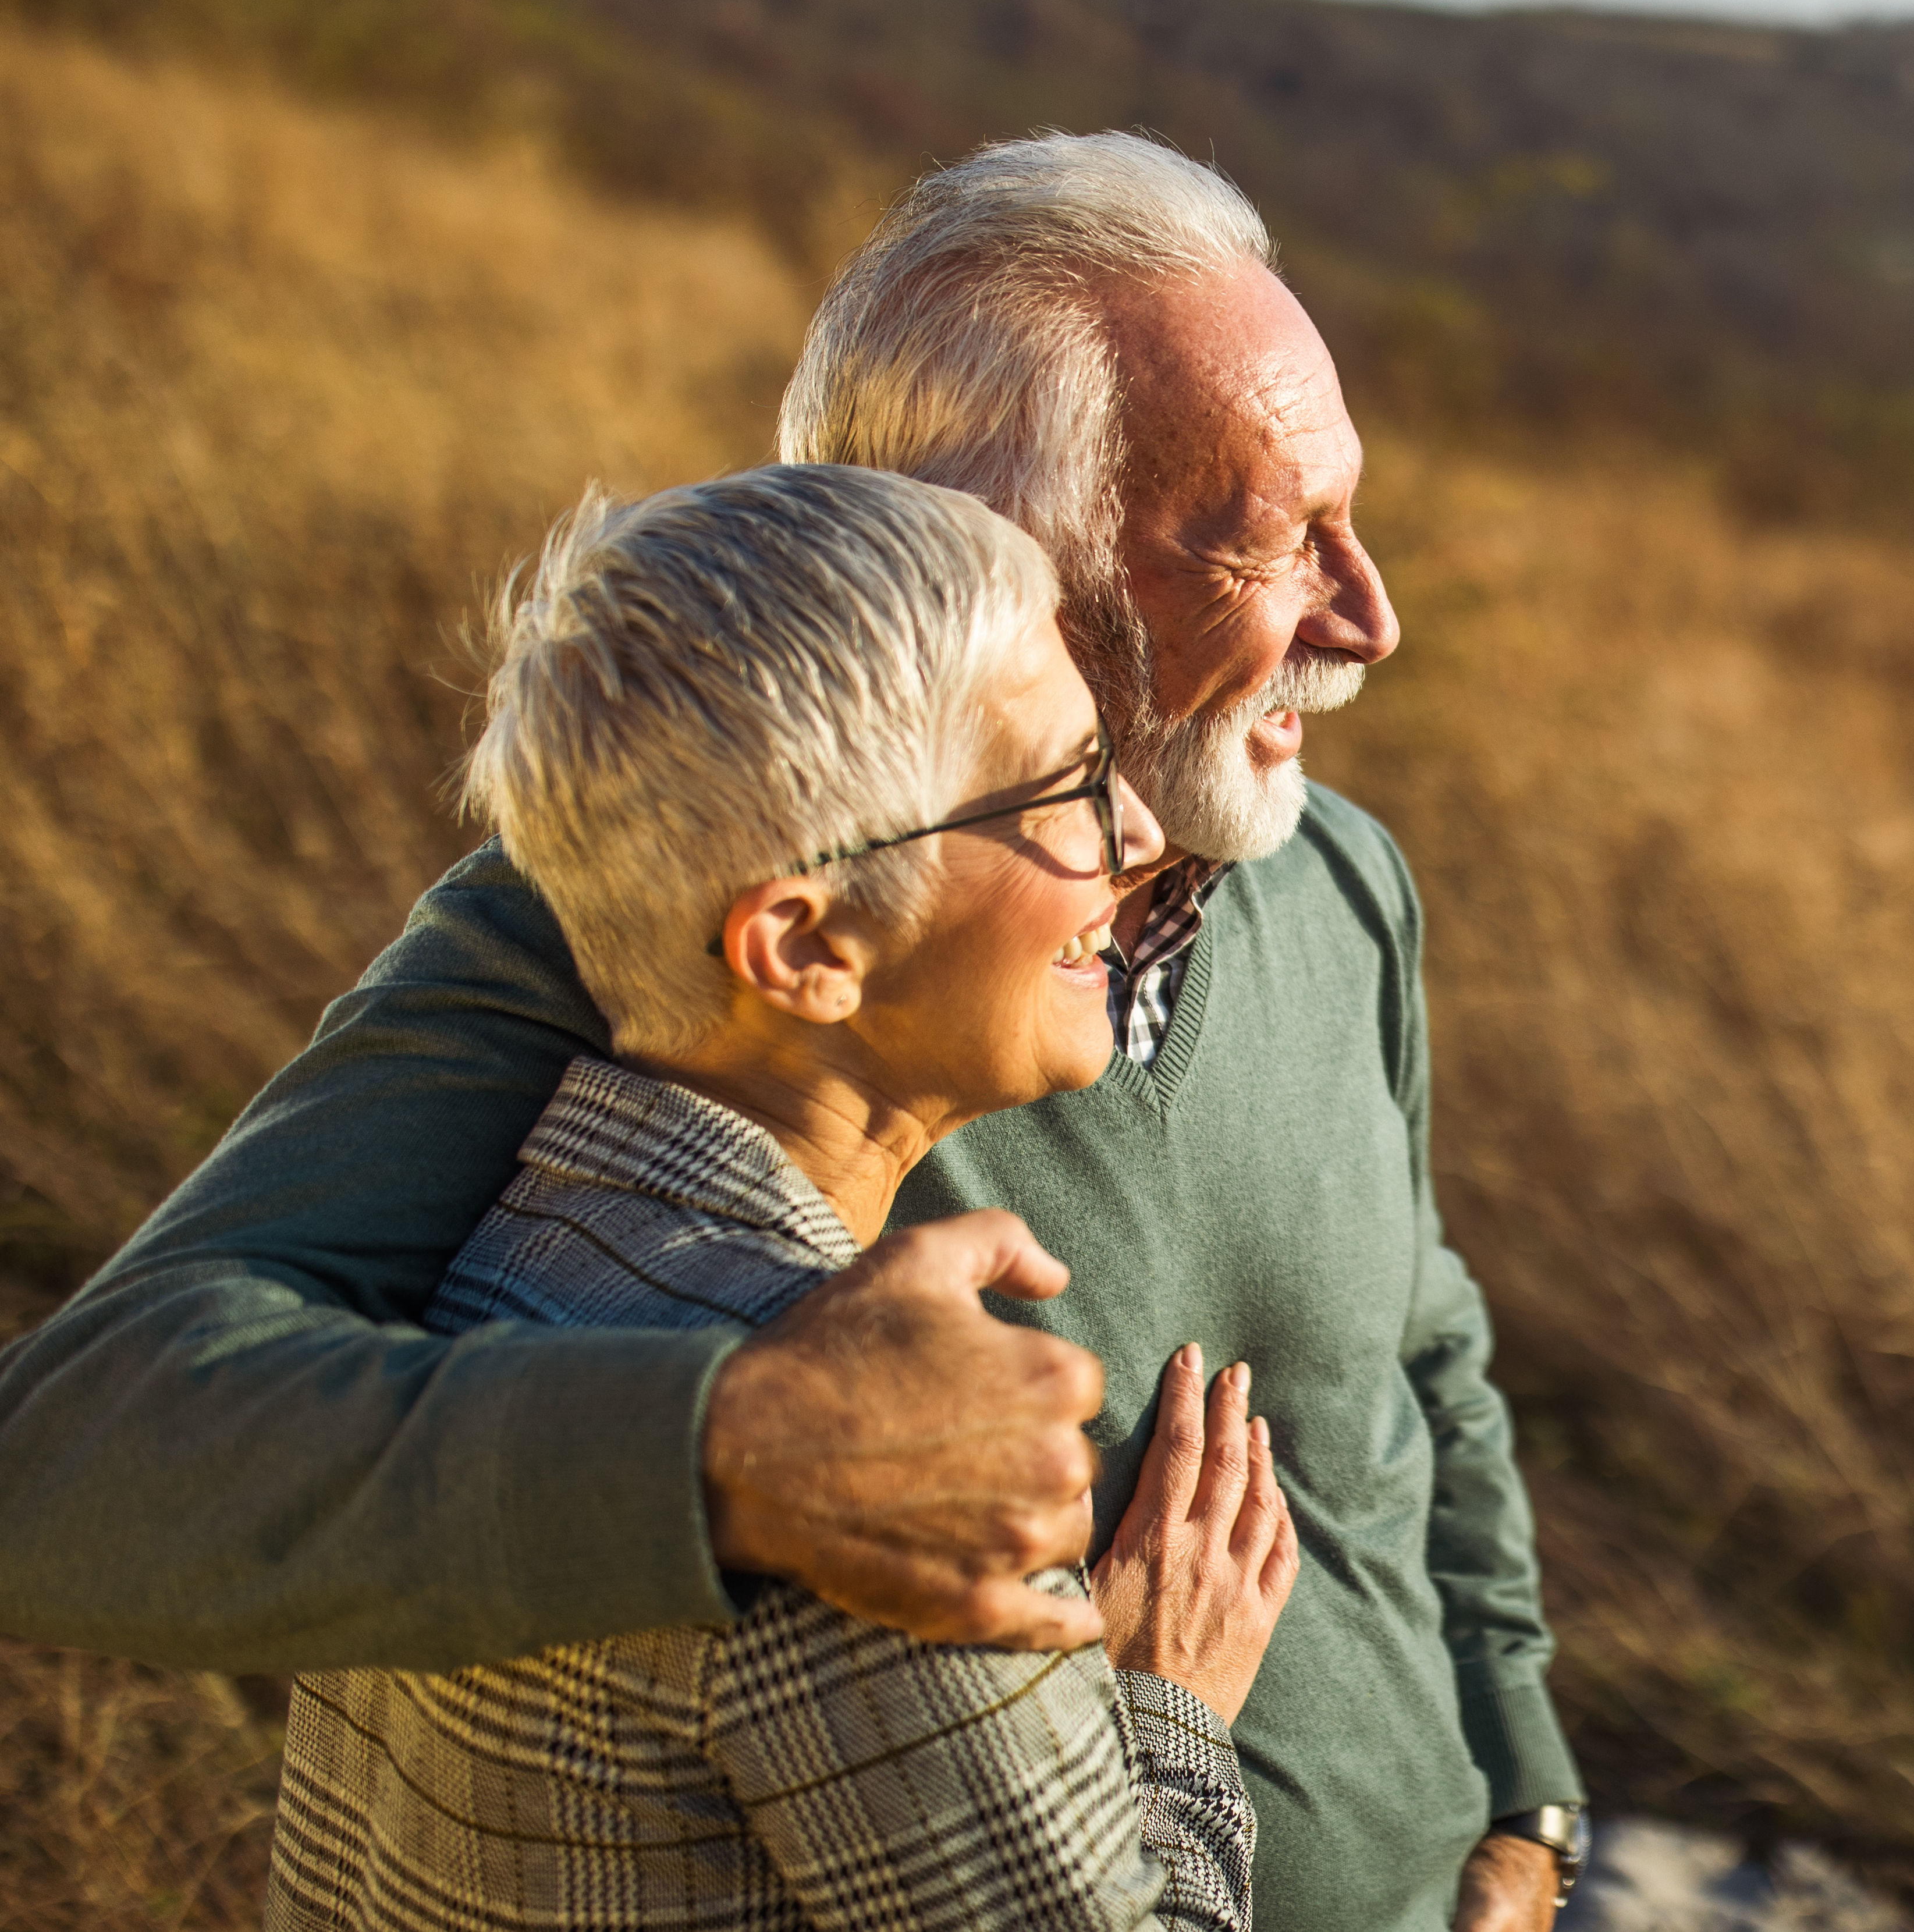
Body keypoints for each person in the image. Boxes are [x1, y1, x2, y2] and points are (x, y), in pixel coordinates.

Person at [0, 133, 1583, 1930]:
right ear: (990, 562)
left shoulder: (1344, 877)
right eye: (1270, 541)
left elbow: (1418, 1361)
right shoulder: (648, 932)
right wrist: (732, 1444)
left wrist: (1524, 1810)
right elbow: (70, 1470)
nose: (1370, 616)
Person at [268, 464, 1297, 1930]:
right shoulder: (875, 1481)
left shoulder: (468, 1257)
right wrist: (1166, 1708)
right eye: (1064, 786)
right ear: (807, 946)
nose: (1135, 841)